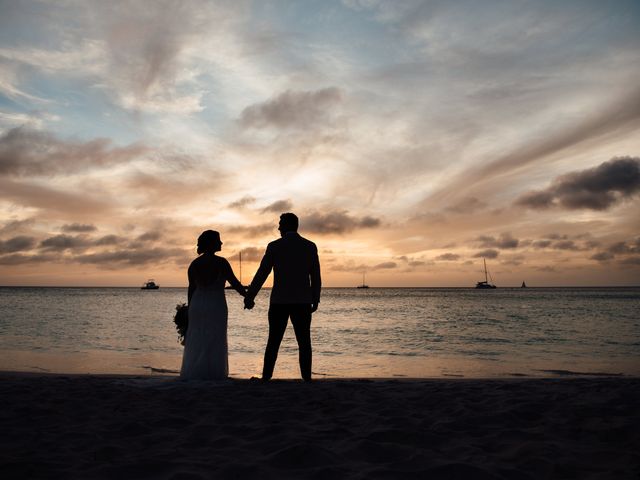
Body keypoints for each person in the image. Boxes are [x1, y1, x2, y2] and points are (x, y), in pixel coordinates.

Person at [244, 213, 321, 381]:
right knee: (304, 342)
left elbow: (262, 273)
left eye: (280, 224)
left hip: (280, 300)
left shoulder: (274, 246)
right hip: (302, 301)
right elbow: (315, 275)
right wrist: (316, 297)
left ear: (286, 225)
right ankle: (307, 379)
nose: (278, 228)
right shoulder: (310, 246)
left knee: (274, 340)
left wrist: (250, 295)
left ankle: (266, 378)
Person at [180, 230, 245, 380]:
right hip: (216, 305)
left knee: (198, 337)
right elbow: (234, 283)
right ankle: (213, 374)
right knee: (215, 338)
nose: (221, 243)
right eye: (218, 240)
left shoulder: (194, 264)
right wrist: (247, 296)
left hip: (198, 305)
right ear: (211, 243)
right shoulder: (222, 263)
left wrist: (190, 310)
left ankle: (195, 373)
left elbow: (191, 289)